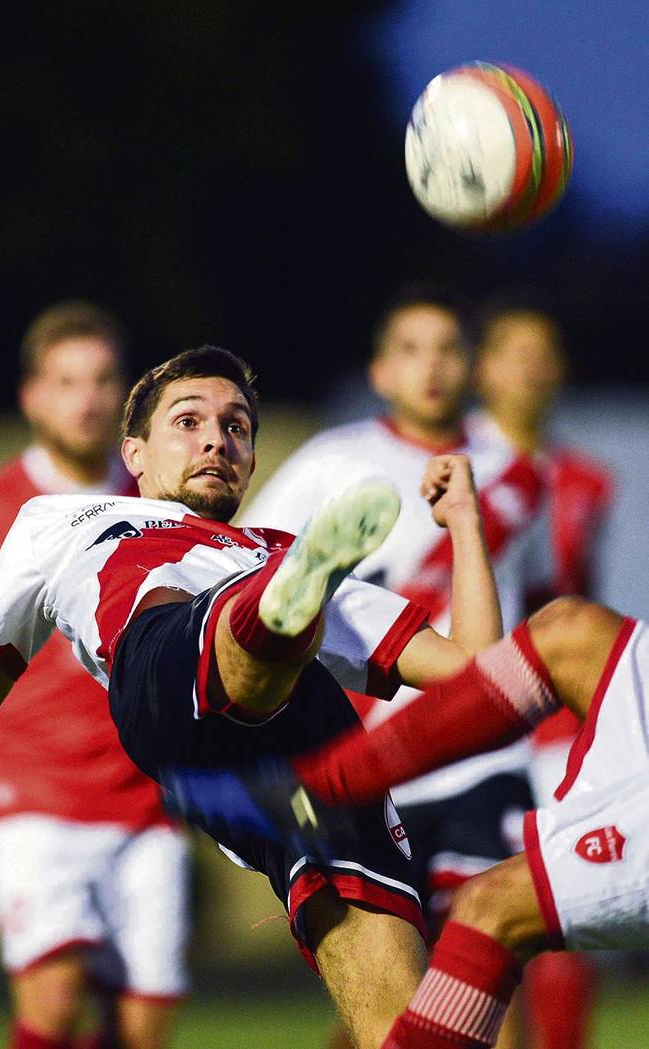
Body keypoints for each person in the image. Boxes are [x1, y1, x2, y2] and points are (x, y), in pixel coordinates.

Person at [0, 345, 503, 1049]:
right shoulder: (55, 523)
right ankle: (267, 629)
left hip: (306, 767)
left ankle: (277, 645)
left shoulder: (277, 549)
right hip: (165, 669)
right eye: (189, 420)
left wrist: (464, 520)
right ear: (135, 453)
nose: (217, 437)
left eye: (238, 426)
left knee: (416, 1028)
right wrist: (287, 590)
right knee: (210, 605)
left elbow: (478, 674)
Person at [242, 284, 550, 1047]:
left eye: (448, 348)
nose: (433, 366)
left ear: (471, 365)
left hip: (486, 754)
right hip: (376, 756)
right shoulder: (331, 461)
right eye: (412, 350)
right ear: (381, 371)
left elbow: (540, 598)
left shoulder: (513, 468)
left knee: (491, 971)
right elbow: (248, 572)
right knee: (385, 998)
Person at [222, 595, 646, 1049]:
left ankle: (316, 789)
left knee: (493, 910)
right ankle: (317, 788)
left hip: (476, 783)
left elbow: (467, 658)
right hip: (398, 785)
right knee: (570, 628)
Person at [0, 302, 191, 1049]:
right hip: (36, 799)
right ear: (32, 396)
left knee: (142, 1030)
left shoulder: (159, 504)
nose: (85, 399)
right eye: (65, 381)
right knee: (52, 1004)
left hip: (147, 802)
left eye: (101, 379)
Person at [471, 296, 615, 1049]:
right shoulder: (451, 466)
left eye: (543, 352)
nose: (530, 367)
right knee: (441, 935)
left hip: (553, 730)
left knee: (561, 915)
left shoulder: (588, 482)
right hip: (462, 722)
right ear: (483, 368)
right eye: (513, 350)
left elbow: (579, 602)